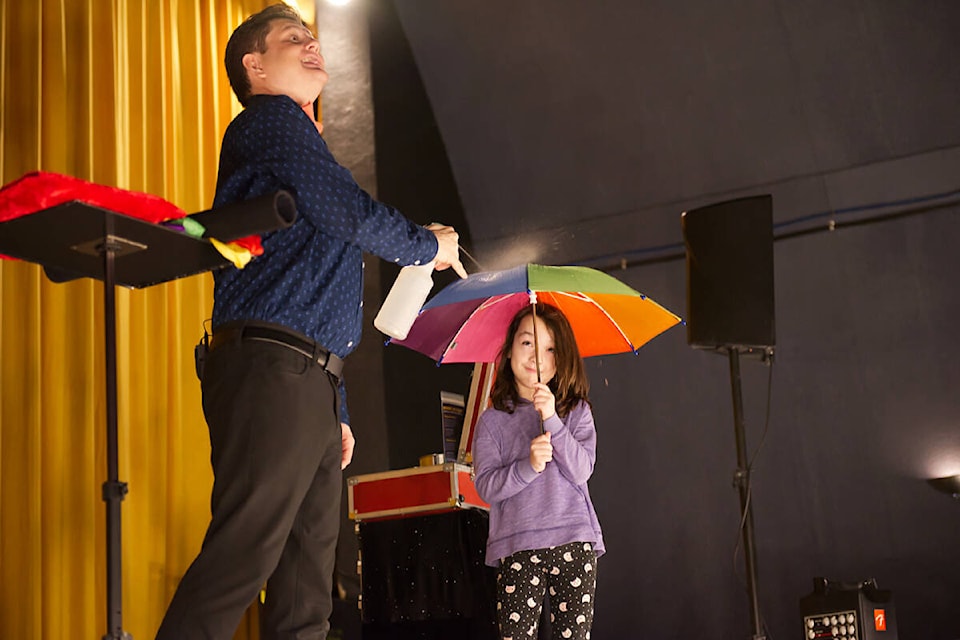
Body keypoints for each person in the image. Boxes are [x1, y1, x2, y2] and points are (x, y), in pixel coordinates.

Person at [155, 4, 466, 640]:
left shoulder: (299, 142)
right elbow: (342, 209)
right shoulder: (268, 122)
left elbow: (313, 283)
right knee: (244, 558)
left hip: (308, 378)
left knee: (308, 588)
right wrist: (422, 245)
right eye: (293, 37)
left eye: (313, 34)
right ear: (254, 65)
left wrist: (338, 402)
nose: (312, 43)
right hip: (274, 370)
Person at [472, 302, 605, 640]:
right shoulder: (491, 421)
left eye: (550, 348)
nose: (537, 357)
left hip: (573, 540)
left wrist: (552, 420)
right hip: (517, 544)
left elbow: (581, 470)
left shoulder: (576, 411)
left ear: (561, 359)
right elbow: (485, 486)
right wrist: (528, 466)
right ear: (510, 349)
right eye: (527, 342)